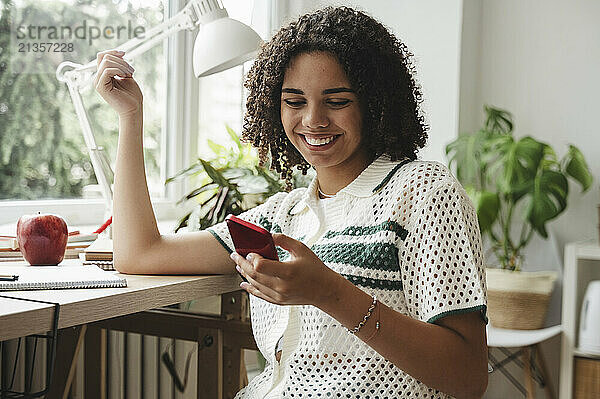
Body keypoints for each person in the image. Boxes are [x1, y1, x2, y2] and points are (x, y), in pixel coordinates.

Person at [95, 6, 489, 399]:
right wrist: (131, 118)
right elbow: (140, 254)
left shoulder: (423, 192)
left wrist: (331, 292)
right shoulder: (284, 215)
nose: (313, 119)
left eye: (337, 101)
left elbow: (468, 376)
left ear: (375, 103)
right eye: (295, 101)